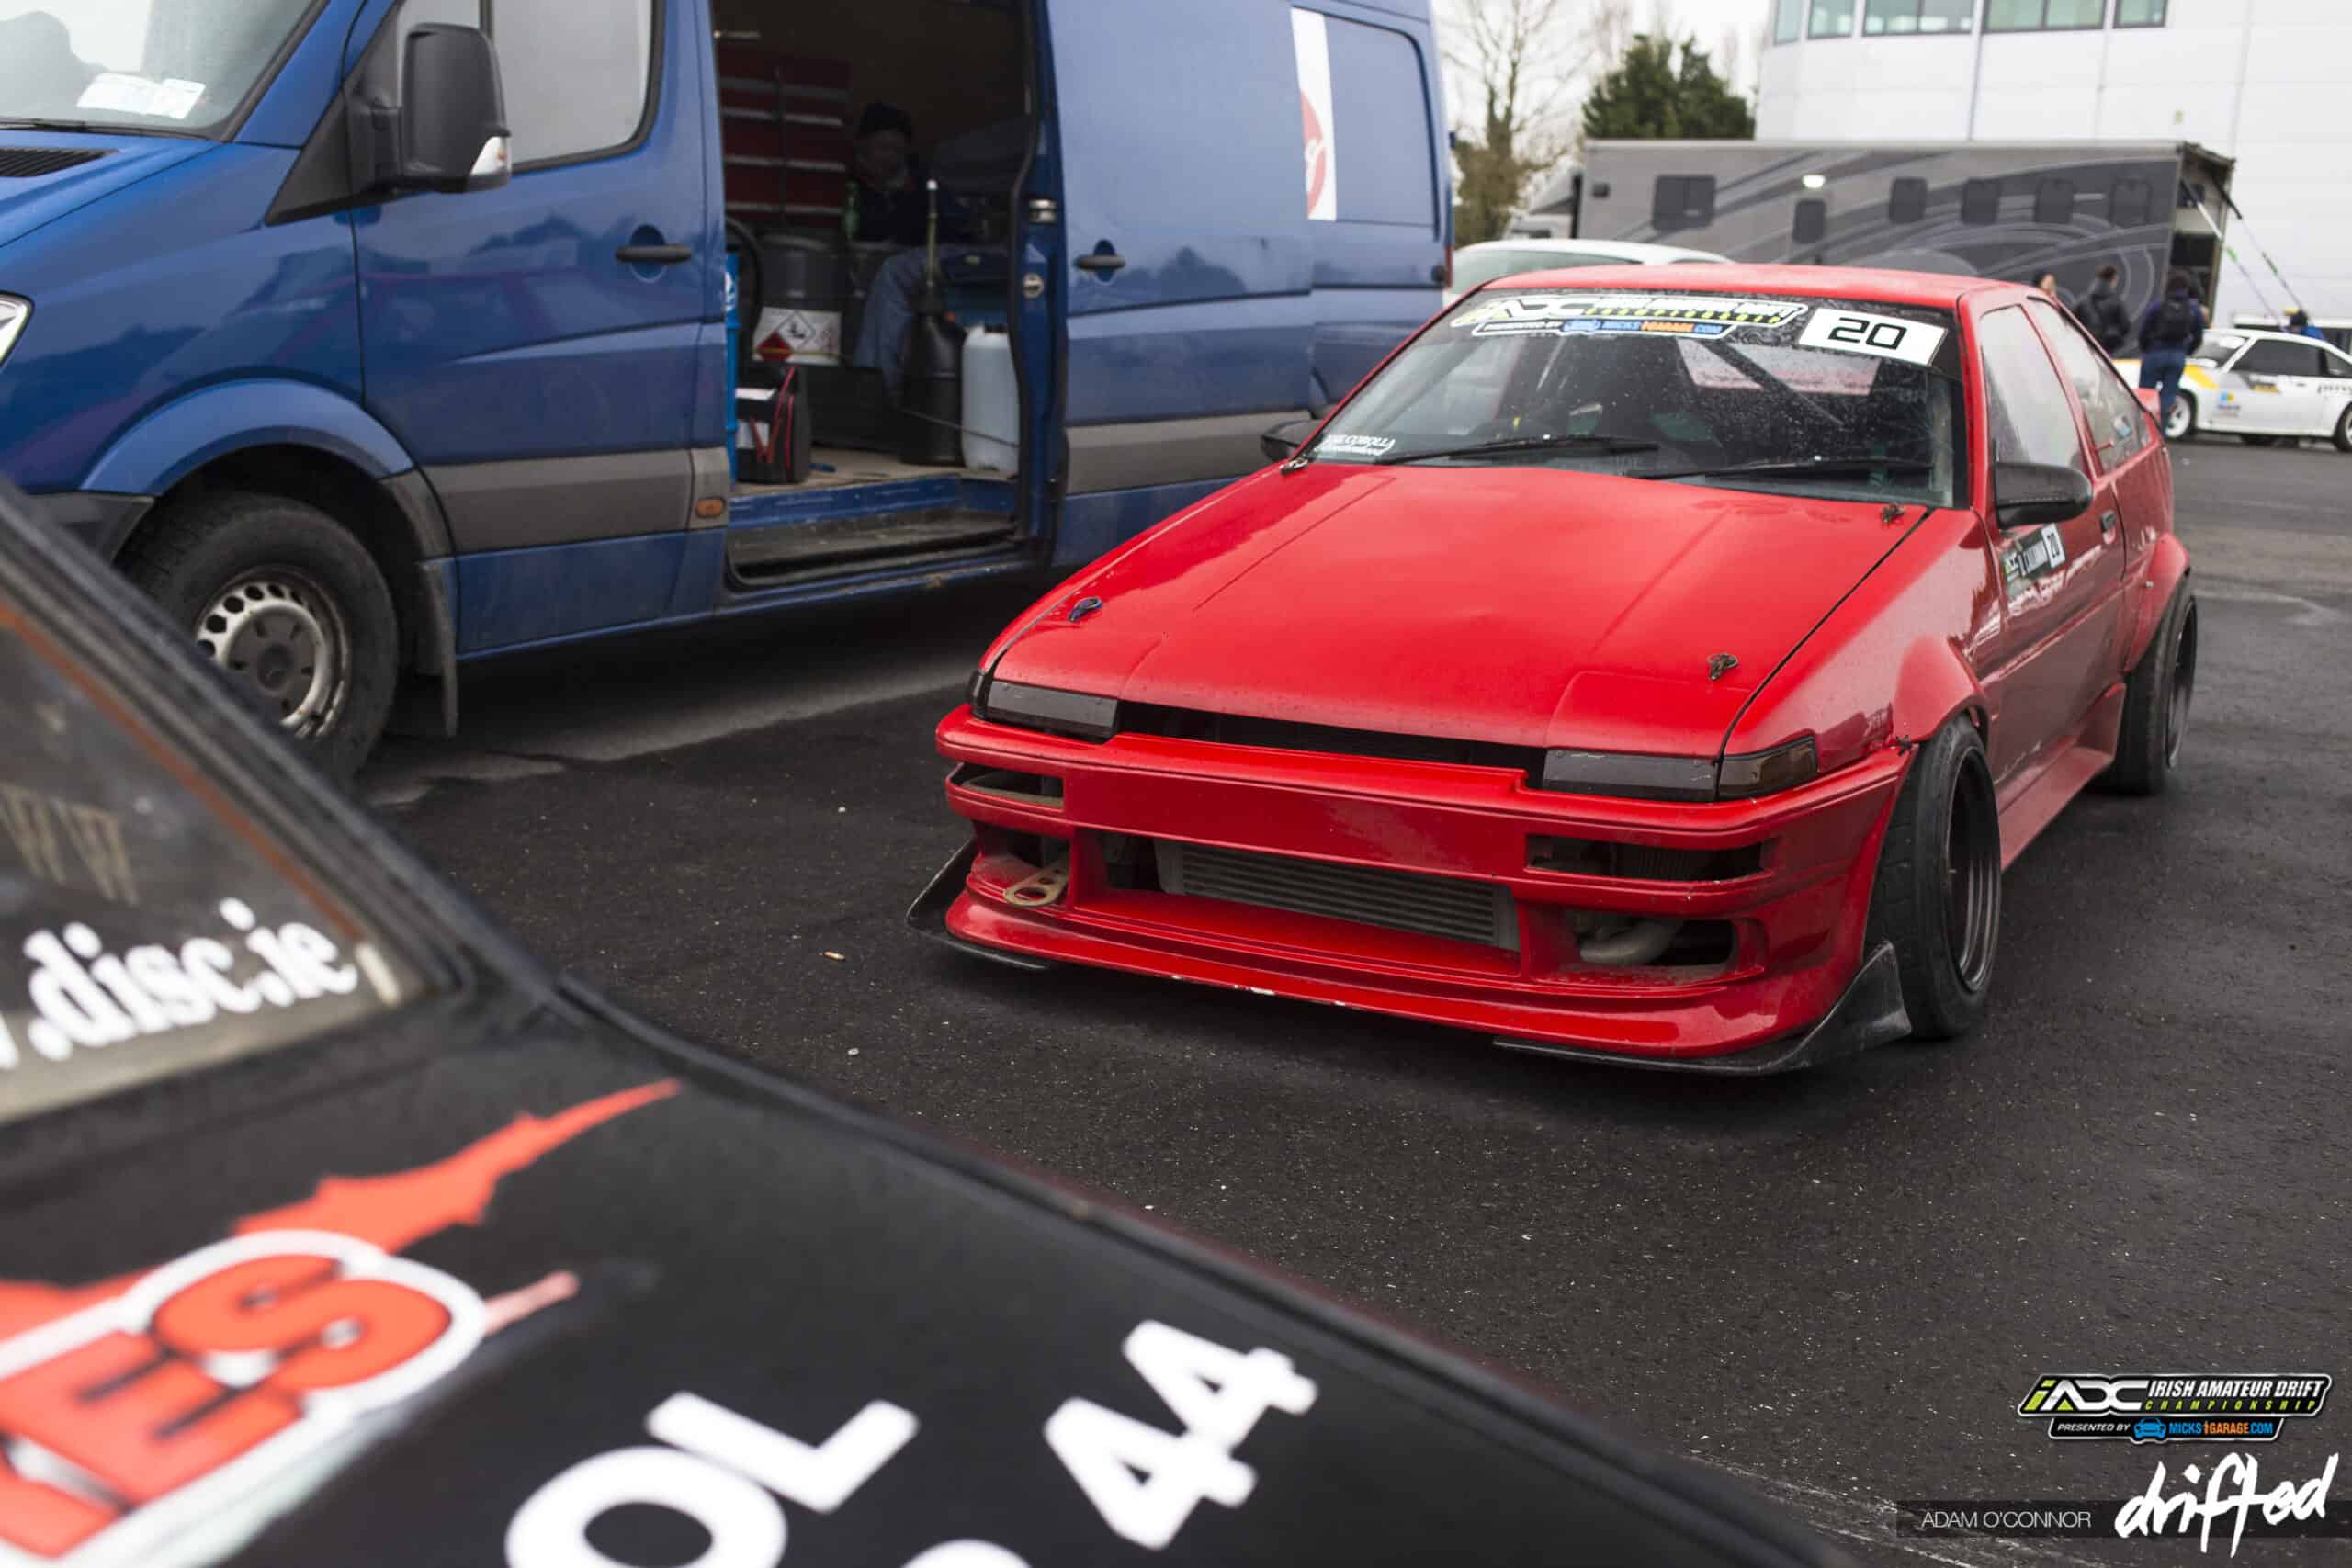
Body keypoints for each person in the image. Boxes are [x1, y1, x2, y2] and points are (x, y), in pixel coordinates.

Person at [846, 102, 928, 248]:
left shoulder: (921, 187)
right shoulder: (846, 185)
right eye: (883, 148)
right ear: (862, 144)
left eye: (897, 150)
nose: (890, 157)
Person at [2135, 269, 2207, 434]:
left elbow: (2143, 332)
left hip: (2155, 353)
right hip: (2177, 355)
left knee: (2146, 394)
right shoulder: (2193, 309)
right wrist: (2185, 351)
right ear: (2186, 288)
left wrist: (2147, 349)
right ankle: (2160, 435)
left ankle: (2143, 432)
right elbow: (2198, 336)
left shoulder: (2158, 306)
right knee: (2168, 397)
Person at [2078, 264, 2134, 355]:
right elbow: (2125, 326)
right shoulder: (2116, 302)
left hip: (2086, 349)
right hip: (2107, 349)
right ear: (2113, 280)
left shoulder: (2083, 300)